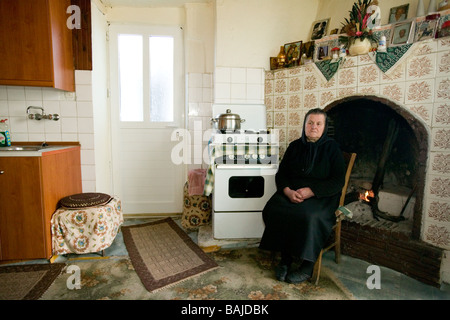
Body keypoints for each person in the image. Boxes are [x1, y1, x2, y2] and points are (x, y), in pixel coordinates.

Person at [259, 108, 346, 284]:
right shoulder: (294, 146)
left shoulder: (333, 149)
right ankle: (286, 259)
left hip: (321, 197)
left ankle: (307, 266)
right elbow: (281, 175)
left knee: (309, 216)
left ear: (324, 127)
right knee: (274, 208)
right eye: (310, 123)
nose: (314, 127)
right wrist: (288, 191)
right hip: (293, 193)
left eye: (318, 123)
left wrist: (312, 191)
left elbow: (338, 181)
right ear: (305, 125)